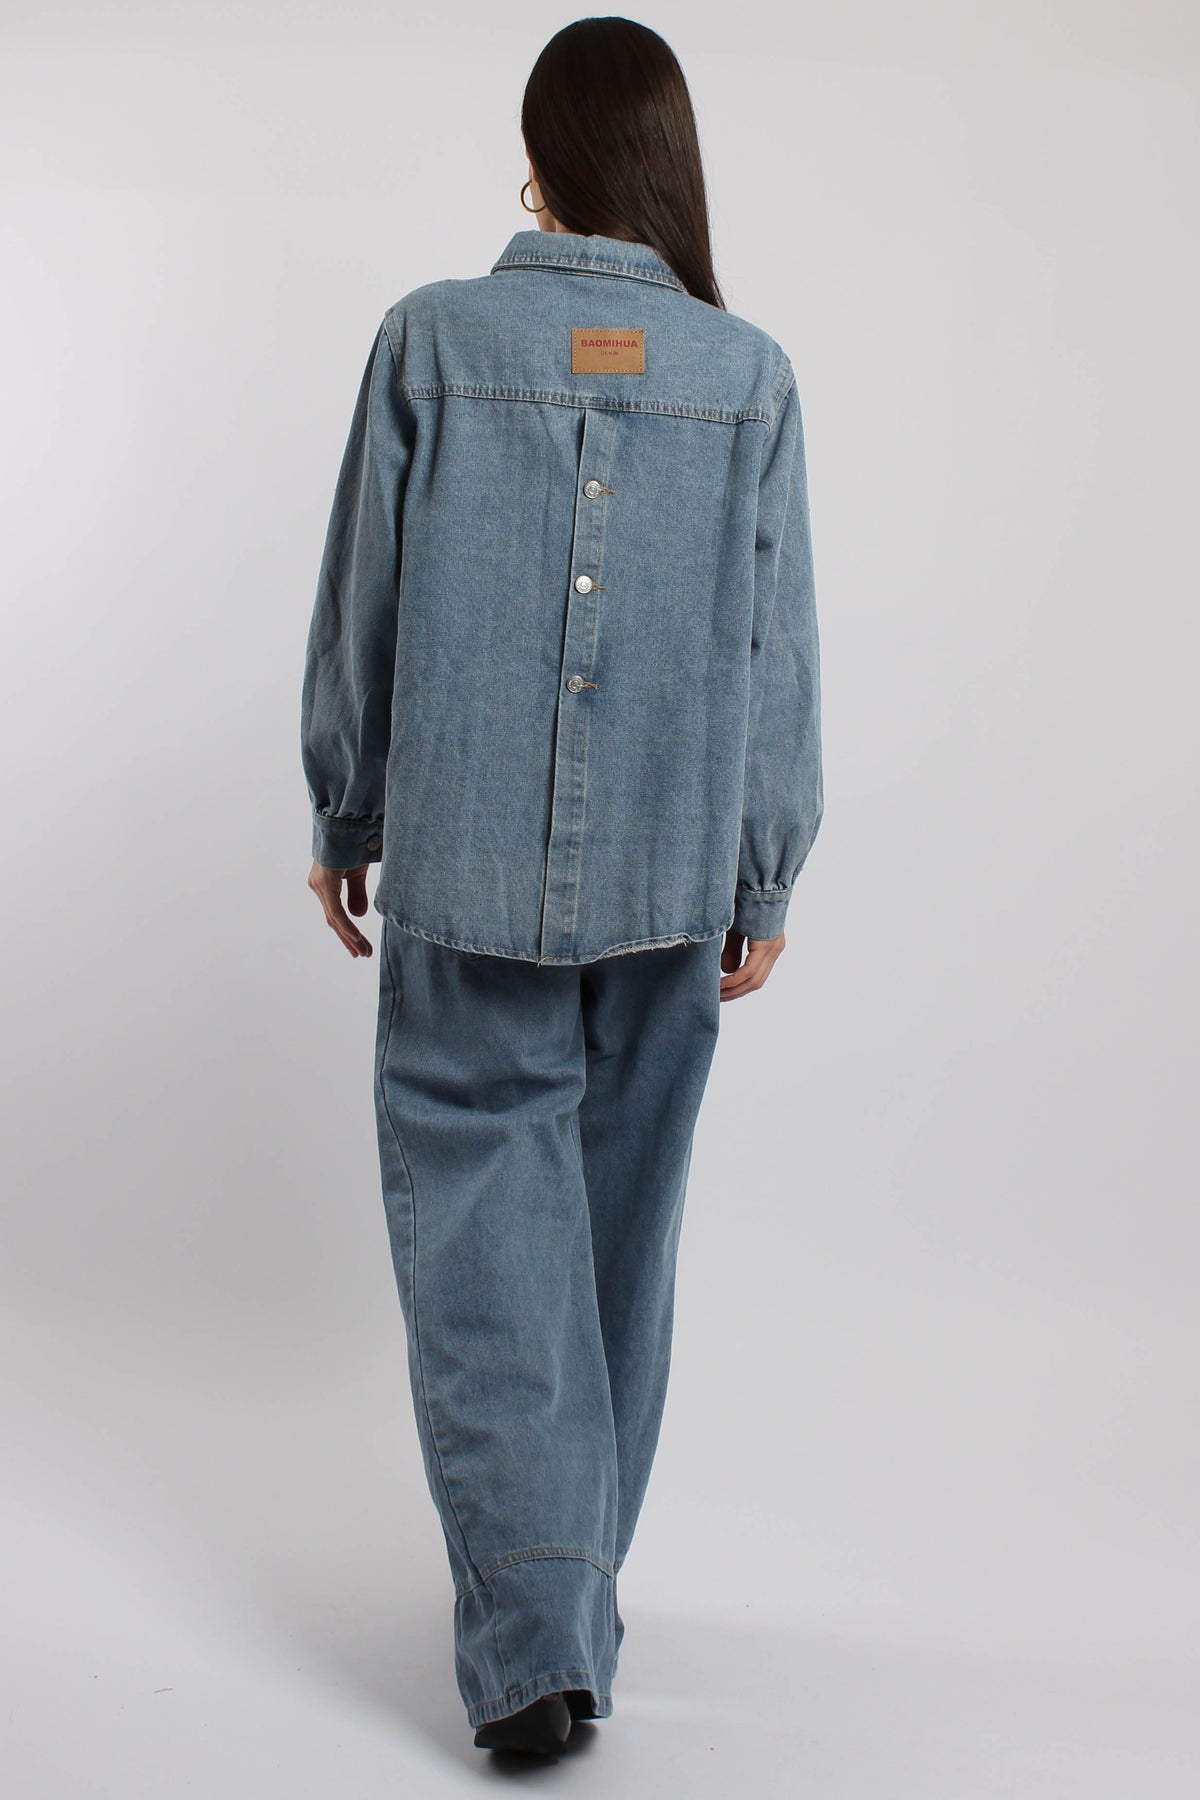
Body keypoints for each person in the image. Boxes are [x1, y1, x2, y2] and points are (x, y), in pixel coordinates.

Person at [299, 15, 823, 1761]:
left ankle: (539, 1632)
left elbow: (364, 595)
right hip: (673, 873)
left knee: (487, 1237)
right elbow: (780, 642)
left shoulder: (432, 340)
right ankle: (560, 1612)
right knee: (616, 1236)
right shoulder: (746, 375)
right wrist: (762, 868)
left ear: (540, 159)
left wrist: (347, 805)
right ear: (664, 162)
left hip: (461, 866)